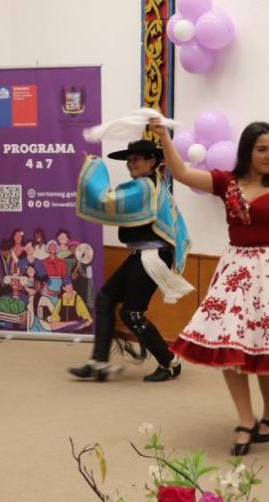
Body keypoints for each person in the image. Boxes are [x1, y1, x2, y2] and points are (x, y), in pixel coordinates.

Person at [150, 119, 269, 454]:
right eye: (262, 149)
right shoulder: (226, 182)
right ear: (247, 152)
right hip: (236, 274)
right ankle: (245, 419)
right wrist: (164, 137)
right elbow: (181, 173)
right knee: (230, 345)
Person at [69, 139, 193, 382]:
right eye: (129, 159)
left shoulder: (145, 187)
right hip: (143, 254)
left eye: (136, 159)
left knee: (132, 313)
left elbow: (108, 199)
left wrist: (93, 167)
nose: (130, 163)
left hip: (152, 256)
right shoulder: (149, 185)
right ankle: (99, 362)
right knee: (105, 299)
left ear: (152, 162)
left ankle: (170, 363)